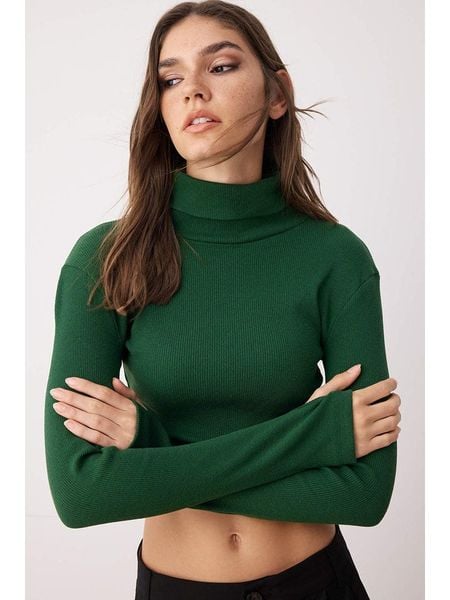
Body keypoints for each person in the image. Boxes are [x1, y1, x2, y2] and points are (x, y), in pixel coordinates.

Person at [44, 2, 402, 599]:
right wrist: (313, 435)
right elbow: (82, 494)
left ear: (277, 93)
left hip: (318, 583)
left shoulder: (337, 257)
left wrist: (152, 451)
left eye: (222, 66)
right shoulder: (106, 258)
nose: (193, 91)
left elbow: (365, 494)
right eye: (171, 78)